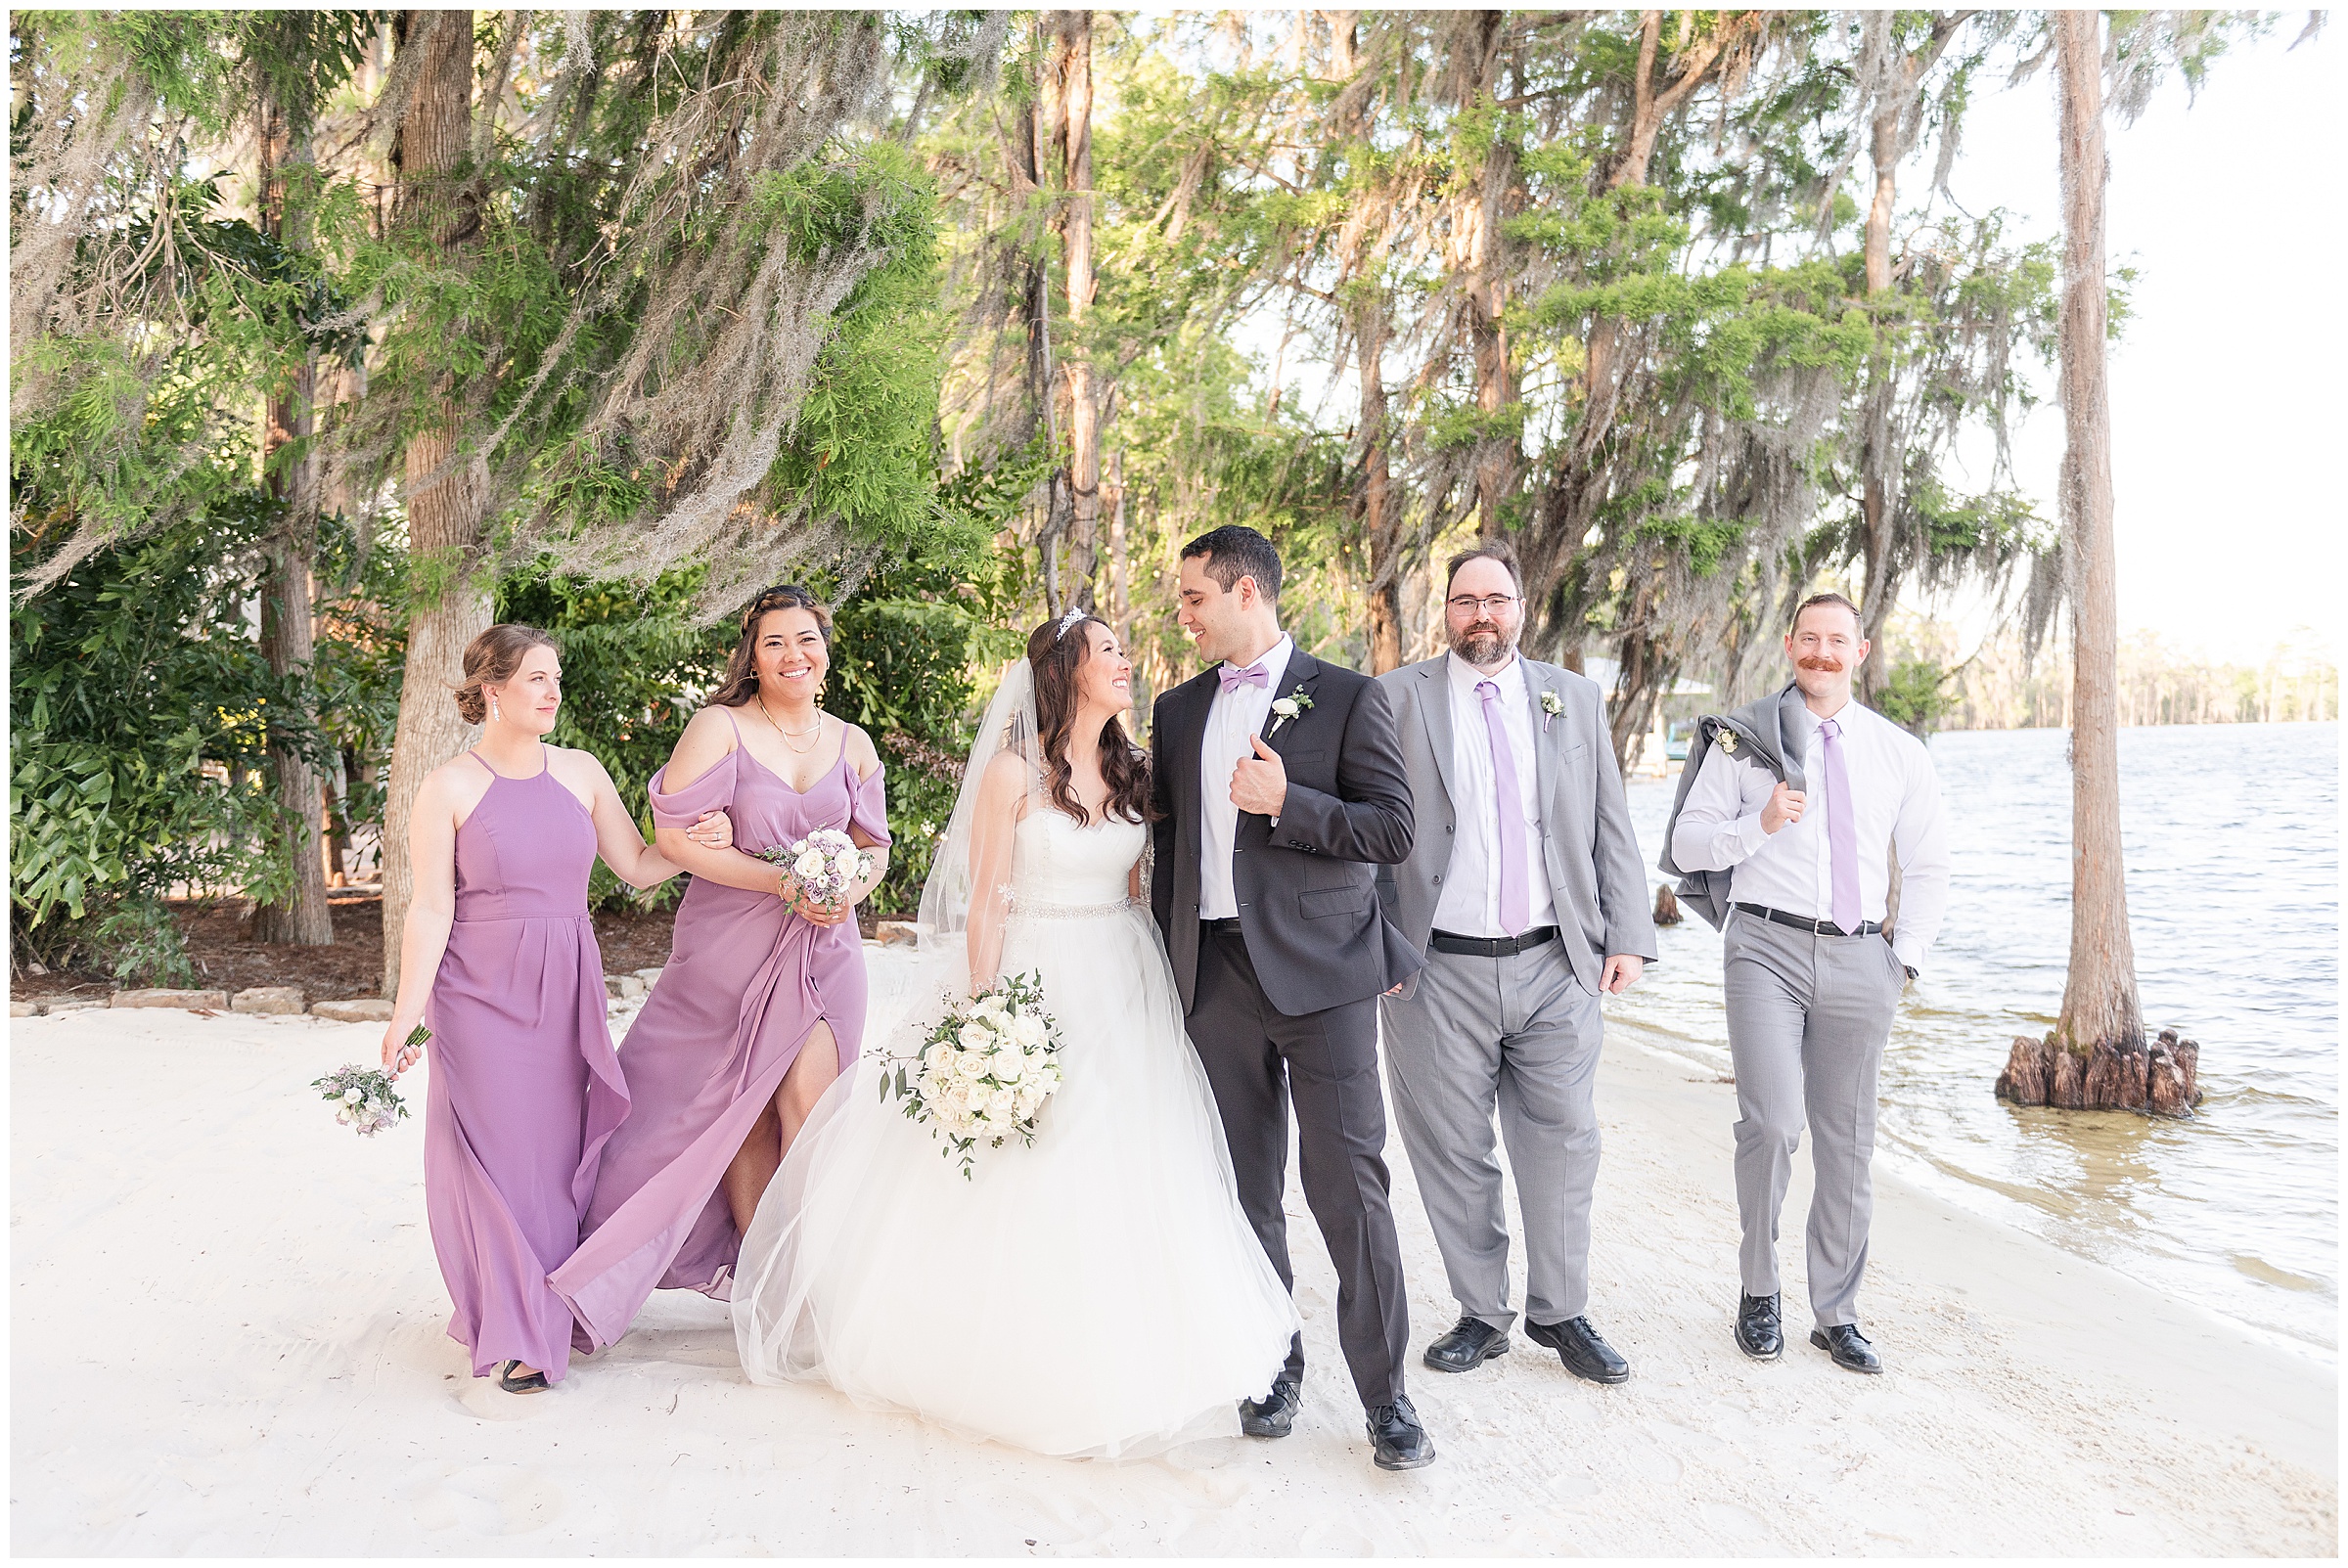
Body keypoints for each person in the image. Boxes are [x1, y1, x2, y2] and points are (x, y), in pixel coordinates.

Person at [731, 613, 1297, 1459]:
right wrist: (985, 1014)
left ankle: (1128, 1352)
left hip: (1125, 978)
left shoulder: (1134, 769)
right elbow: (986, 896)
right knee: (1034, 1159)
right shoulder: (1011, 772)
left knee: (1125, 1160)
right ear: (1069, 669)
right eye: (1110, 650)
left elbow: (1143, 886)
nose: (1125, 660)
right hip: (1035, 976)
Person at [381, 623, 733, 1393]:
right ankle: (520, 1331)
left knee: (554, 1159)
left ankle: (553, 1304)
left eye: (556, 676)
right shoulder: (448, 786)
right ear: (493, 690)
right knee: (503, 1161)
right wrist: (407, 1012)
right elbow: (431, 909)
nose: (553, 690)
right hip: (477, 994)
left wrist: (695, 838)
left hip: (566, 985)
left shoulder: (581, 772)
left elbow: (639, 867)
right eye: (537, 678)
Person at [1149, 525, 1434, 1472]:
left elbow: (1394, 829)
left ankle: (1387, 1398)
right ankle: (1272, 1362)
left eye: (1194, 597)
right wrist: (1170, 966)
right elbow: (1172, 853)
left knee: (1351, 1190)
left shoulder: (1349, 696)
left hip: (1326, 979)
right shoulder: (1177, 710)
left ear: (1243, 592)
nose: (1183, 615)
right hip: (1217, 981)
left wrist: (1290, 804)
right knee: (1245, 1192)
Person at [551, 585, 890, 1352]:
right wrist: (785, 880)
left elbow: (875, 846)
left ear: (825, 650)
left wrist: (844, 887)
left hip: (826, 949)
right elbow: (674, 842)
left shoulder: (853, 743)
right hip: (727, 949)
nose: (793, 654)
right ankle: (762, 1286)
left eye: (806, 639)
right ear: (752, 655)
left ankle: (806, 1282)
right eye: (775, 642)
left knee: (811, 1109)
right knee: (736, 1112)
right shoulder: (720, 728)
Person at [1374, 541, 1657, 1386]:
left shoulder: (1571, 697)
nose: (1482, 615)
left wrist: (1628, 935)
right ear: (1446, 611)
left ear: (1521, 608)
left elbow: (1609, 820)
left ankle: (1561, 1311)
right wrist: (1375, 942)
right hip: (1432, 969)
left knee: (1565, 1139)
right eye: (1466, 601)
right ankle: (1482, 1312)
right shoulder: (1394, 699)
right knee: (1451, 1146)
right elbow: (1369, 833)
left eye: (1496, 599)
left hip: (1555, 962)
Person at [1662, 591, 1951, 1374]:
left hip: (1864, 957)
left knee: (1848, 1142)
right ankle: (1760, 1290)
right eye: (1809, 638)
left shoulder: (1900, 753)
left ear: (1861, 651)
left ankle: (1837, 1312)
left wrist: (1905, 959)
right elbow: (1687, 845)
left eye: (1838, 640)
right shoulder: (1742, 743)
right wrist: (1758, 825)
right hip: (1765, 948)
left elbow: (1927, 865)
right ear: (1789, 643)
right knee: (1774, 1123)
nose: (1821, 652)